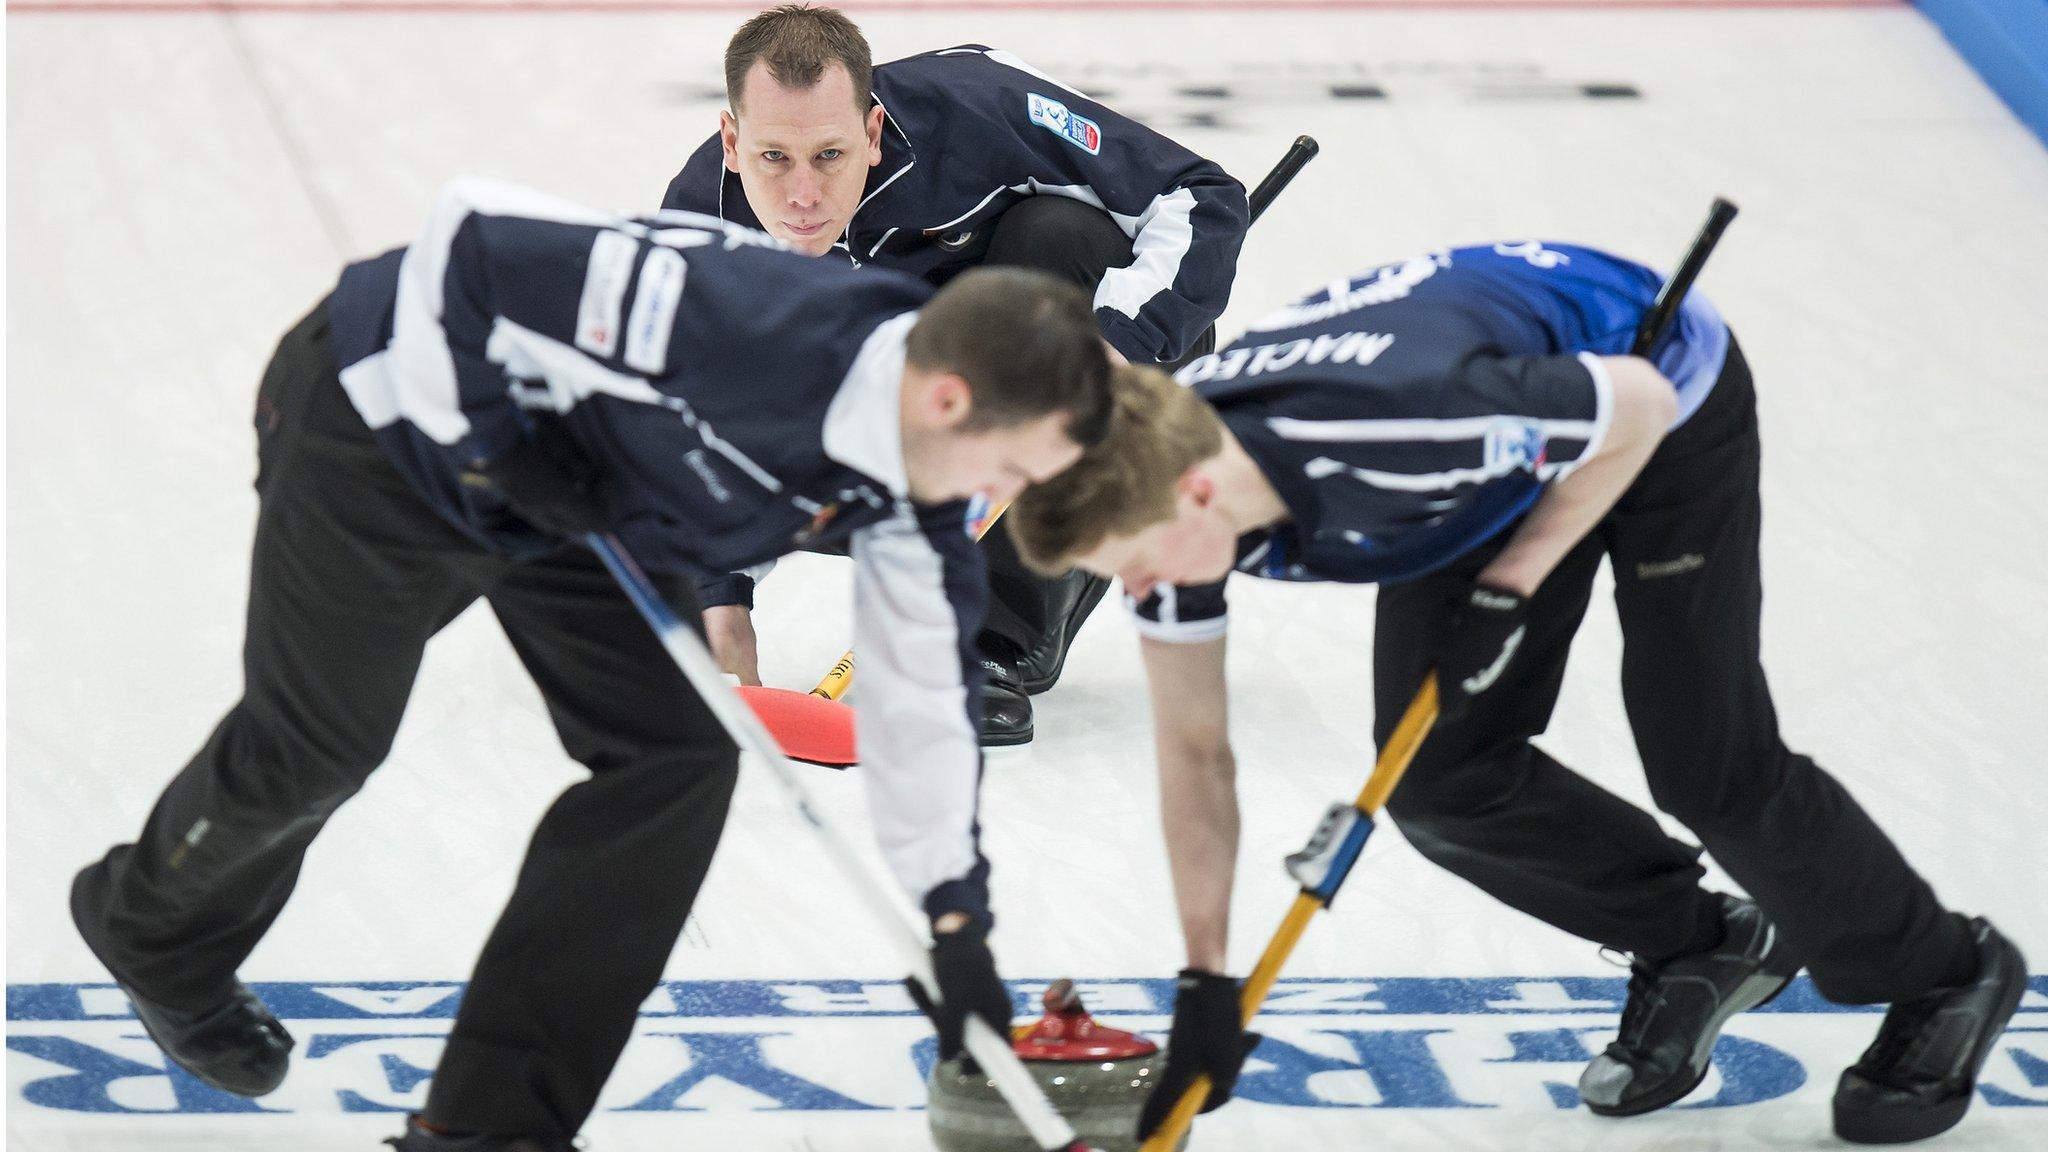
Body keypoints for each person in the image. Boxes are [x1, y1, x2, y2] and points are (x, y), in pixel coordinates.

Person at [69, 176, 1114, 1152]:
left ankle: (486, 1128)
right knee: (320, 747)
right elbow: (469, 239)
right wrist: (495, 449)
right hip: (390, 422)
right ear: (944, 402)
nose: (1005, 497)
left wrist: (959, 933)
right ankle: (152, 927)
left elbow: (924, 724)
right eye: (1013, 465)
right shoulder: (748, 328)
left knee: (678, 753)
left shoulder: (922, 498)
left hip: (582, 488)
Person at [1008, 241, 2026, 1145]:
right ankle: (1698, 944)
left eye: (1131, 568)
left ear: (1188, 494)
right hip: (1475, 463)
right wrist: (1204, 984)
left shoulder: (1398, 431)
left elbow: (1636, 404)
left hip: (1650, 392)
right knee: (1438, 779)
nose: (1139, 592)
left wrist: (1515, 579)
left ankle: (1944, 970)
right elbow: (1194, 753)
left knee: (1707, 760)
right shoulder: (1169, 512)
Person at [661, 3, 1251, 745]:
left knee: (1062, 236)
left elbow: (1202, 198)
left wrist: (1114, 344)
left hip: (1065, 387)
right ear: (732, 140)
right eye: (774, 157)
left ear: (873, 132)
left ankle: (992, 643)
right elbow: (698, 433)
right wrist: (720, 605)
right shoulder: (696, 236)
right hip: (897, 420)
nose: (803, 196)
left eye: (831, 156)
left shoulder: (982, 106)